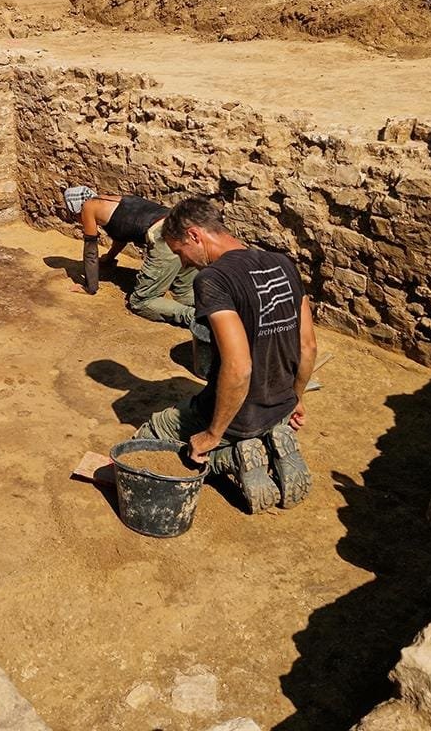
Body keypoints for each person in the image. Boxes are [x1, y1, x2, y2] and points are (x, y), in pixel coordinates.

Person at [134, 196, 317, 512]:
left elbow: (239, 366)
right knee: (249, 419)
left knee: (151, 436)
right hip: (283, 407)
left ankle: (230, 457)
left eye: (180, 252)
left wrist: (212, 433)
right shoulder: (284, 263)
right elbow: (308, 347)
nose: (185, 263)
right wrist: (296, 398)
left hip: (241, 418)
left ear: (194, 235)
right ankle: (271, 439)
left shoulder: (213, 279)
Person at [62, 186, 195, 327]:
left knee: (141, 302)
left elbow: (90, 251)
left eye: (74, 216)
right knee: (185, 292)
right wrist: (110, 257)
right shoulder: (112, 200)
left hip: (165, 238)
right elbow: (122, 234)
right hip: (182, 228)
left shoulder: (87, 207)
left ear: (75, 207)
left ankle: (196, 319)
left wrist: (90, 287)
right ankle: (214, 312)